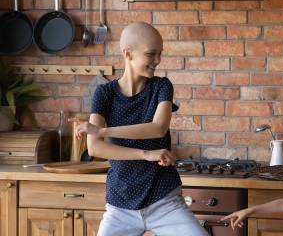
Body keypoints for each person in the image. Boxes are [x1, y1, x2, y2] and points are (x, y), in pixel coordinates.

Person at [71, 22, 208, 236]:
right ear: (128, 54)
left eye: (160, 54)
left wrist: (104, 132)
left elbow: (157, 128)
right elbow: (96, 149)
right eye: (151, 54)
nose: (157, 61)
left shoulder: (162, 86)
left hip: (164, 200)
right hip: (120, 204)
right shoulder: (104, 94)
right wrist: (146, 154)